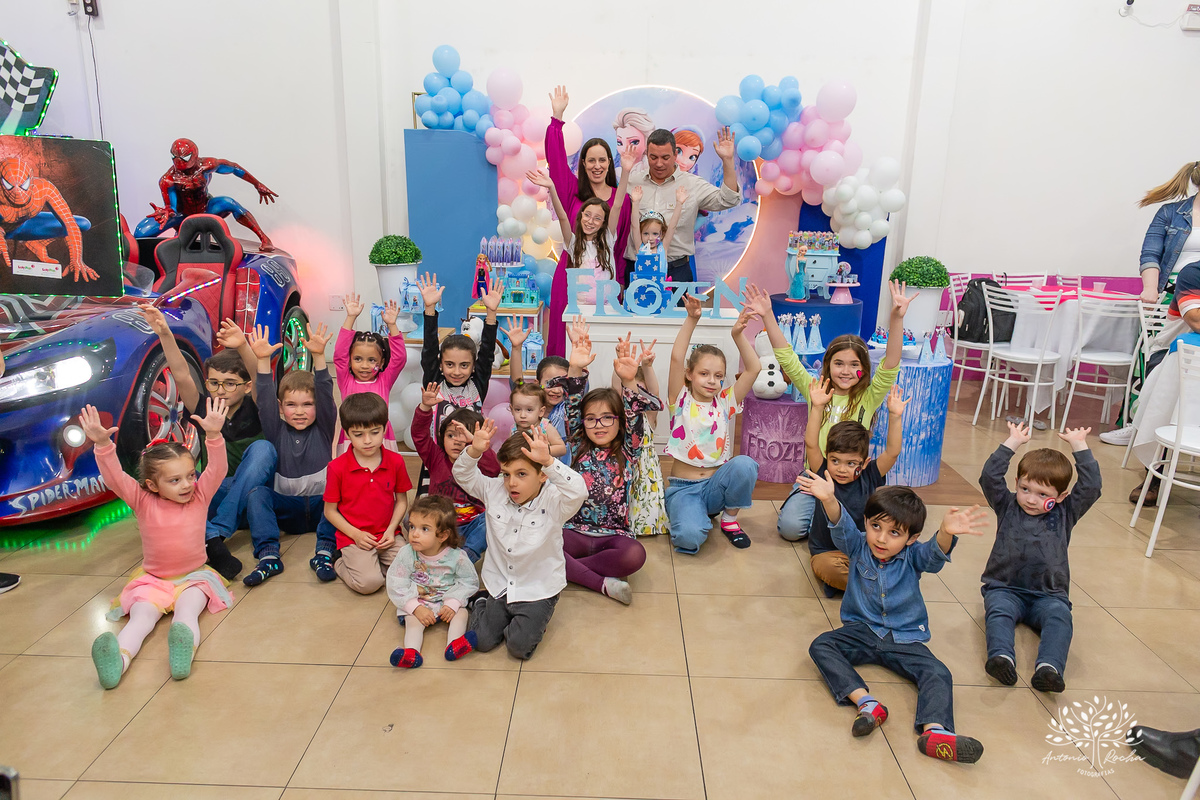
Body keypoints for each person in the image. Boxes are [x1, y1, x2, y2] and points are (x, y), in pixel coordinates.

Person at [801, 471, 990, 764]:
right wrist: (828, 498)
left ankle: (935, 732)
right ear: (866, 522)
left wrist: (946, 532)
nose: (881, 538)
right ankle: (868, 704)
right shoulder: (858, 544)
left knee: (938, 672)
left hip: (905, 638)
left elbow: (932, 556)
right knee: (821, 645)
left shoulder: (914, 555)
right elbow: (841, 526)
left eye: (894, 533)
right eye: (875, 526)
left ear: (911, 538)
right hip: (862, 631)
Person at [81, 399, 234, 689]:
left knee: (188, 612)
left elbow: (218, 469)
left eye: (190, 475)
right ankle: (118, 663)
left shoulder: (200, 496)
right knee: (140, 620)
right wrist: (103, 445)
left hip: (193, 579)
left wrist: (214, 436)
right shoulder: (141, 500)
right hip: (152, 581)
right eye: (175, 480)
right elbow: (115, 479)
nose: (187, 485)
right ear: (152, 485)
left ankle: (182, 653)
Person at [745, 281, 912, 542]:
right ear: (827, 365)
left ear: (864, 369)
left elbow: (891, 364)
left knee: (858, 531)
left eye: (854, 365)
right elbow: (787, 357)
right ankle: (817, 513)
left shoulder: (869, 398)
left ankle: (833, 520)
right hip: (815, 475)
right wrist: (767, 314)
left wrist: (896, 317)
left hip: (854, 483)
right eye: (839, 364)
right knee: (790, 529)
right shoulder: (817, 390)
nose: (845, 371)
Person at [138, 303, 277, 581]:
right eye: (214, 383)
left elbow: (260, 380)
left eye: (229, 384)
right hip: (218, 492)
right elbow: (180, 373)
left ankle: (216, 533)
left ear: (246, 387)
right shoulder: (203, 406)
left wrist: (243, 348)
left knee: (264, 449)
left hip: (255, 495)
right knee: (175, 482)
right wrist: (165, 333)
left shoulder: (258, 405)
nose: (220, 390)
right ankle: (212, 538)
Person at [979, 421, 1102, 692]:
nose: (1031, 499)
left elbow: (1091, 487)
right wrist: (1011, 443)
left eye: (1042, 494)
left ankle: (1049, 668)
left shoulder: (1066, 512)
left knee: (1060, 618)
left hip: (1049, 595)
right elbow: (989, 477)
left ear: (1061, 496)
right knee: (998, 613)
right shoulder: (1007, 504)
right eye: (1025, 489)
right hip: (1005, 588)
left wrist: (1080, 446)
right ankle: (1001, 658)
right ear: (1017, 484)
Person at [452, 422, 587, 660]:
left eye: (521, 474)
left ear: (542, 475)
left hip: (538, 589)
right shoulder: (493, 490)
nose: (511, 482)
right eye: (506, 474)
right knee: (482, 641)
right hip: (500, 584)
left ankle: (532, 621)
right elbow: (462, 474)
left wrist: (549, 461)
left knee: (518, 648)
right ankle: (483, 601)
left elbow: (579, 491)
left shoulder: (556, 501)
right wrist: (474, 450)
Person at [549, 327, 661, 603]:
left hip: (614, 536)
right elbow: (574, 403)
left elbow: (635, 411)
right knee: (541, 543)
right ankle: (600, 583)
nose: (598, 425)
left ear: (619, 422)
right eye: (591, 419)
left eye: (607, 418)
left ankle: (570, 571)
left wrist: (630, 381)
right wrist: (575, 366)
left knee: (636, 555)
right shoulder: (577, 444)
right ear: (582, 423)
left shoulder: (629, 448)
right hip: (573, 531)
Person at [1100, 161, 1199, 447]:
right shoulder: (1171, 213)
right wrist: (1150, 289)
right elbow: (1151, 253)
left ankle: (1180, 427)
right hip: (1173, 293)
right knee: (1154, 357)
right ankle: (1135, 424)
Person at [242, 323, 339, 586]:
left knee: (344, 491)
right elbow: (262, 398)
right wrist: (262, 360)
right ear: (281, 408)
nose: (299, 411)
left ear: (318, 408)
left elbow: (325, 390)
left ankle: (324, 553)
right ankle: (269, 556)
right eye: (291, 405)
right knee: (257, 494)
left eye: (308, 404)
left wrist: (319, 357)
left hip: (324, 510)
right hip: (288, 512)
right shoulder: (276, 429)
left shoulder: (323, 428)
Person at [664, 292, 761, 553]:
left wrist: (738, 335)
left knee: (746, 464)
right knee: (689, 539)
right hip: (684, 489)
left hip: (715, 487)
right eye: (704, 374)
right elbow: (676, 357)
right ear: (689, 375)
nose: (711, 381)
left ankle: (728, 520)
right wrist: (691, 320)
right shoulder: (680, 398)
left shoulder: (725, 401)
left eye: (718, 376)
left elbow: (753, 369)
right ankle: (689, 516)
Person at [544, 86, 635, 356]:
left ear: (610, 163)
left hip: (604, 282)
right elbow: (556, 160)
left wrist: (616, 284)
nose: (597, 165)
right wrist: (556, 119)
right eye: (591, 160)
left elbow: (617, 249)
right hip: (571, 280)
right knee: (567, 341)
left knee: (602, 345)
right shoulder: (572, 191)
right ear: (583, 164)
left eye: (602, 160)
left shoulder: (623, 200)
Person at [803, 382, 908, 594]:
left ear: (865, 462)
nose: (841, 469)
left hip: (863, 550)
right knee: (829, 569)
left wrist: (895, 416)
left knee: (898, 557)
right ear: (828, 457)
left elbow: (893, 452)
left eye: (851, 464)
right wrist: (817, 408)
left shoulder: (870, 475)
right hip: (827, 552)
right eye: (835, 461)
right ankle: (871, 585)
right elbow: (811, 444)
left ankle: (861, 583)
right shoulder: (823, 471)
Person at [622, 127, 741, 286]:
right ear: (646, 156)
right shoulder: (632, 183)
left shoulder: (692, 184)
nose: (659, 163)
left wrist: (727, 160)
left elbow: (729, 199)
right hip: (637, 270)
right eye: (653, 157)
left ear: (674, 155)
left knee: (682, 312)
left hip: (677, 273)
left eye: (665, 157)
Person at [322, 393, 411, 595]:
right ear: (347, 434)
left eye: (374, 432)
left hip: (388, 535)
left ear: (385, 428)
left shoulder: (396, 461)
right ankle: (339, 562)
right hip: (354, 538)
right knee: (369, 584)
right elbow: (330, 511)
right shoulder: (337, 468)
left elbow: (402, 501)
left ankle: (374, 564)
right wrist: (356, 534)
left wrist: (391, 530)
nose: (368, 440)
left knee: (410, 575)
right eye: (359, 434)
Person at [385, 495, 479, 668]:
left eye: (424, 529)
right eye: (412, 526)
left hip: (446, 600)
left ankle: (454, 644)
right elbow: (396, 581)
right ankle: (411, 652)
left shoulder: (456, 557)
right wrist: (415, 607)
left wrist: (453, 602)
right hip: (418, 600)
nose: (414, 534)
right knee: (413, 622)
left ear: (443, 535)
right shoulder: (407, 554)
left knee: (462, 613)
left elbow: (468, 581)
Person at [411, 383, 501, 563]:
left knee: (492, 519)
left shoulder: (479, 460)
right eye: (451, 435)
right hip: (440, 524)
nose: (458, 441)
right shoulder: (436, 456)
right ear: (441, 437)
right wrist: (425, 408)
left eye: (465, 436)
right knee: (413, 517)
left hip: (472, 524)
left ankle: (465, 558)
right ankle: (435, 553)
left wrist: (478, 448)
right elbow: (419, 435)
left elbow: (494, 470)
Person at [528, 162, 630, 306]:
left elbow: (618, 204)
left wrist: (626, 170)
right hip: (580, 311)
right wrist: (551, 187)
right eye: (587, 215)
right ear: (581, 216)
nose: (591, 221)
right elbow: (562, 216)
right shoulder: (573, 243)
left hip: (607, 309)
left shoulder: (607, 238)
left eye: (597, 218)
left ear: (603, 223)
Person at [333, 293, 407, 454]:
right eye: (358, 359)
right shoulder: (346, 380)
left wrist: (392, 326)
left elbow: (399, 359)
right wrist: (350, 317)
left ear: (381, 363)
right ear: (350, 360)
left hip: (382, 441)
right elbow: (339, 355)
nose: (364, 366)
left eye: (372, 360)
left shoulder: (384, 380)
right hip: (350, 442)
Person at [613, 338, 668, 538]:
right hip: (624, 461)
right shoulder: (619, 414)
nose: (634, 397)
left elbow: (654, 392)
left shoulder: (648, 415)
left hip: (647, 466)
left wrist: (647, 366)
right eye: (630, 392)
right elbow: (616, 388)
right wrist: (620, 360)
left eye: (639, 393)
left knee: (648, 498)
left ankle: (649, 526)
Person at [506, 318, 573, 464]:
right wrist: (516, 348)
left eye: (562, 384)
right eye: (550, 383)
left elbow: (578, 386)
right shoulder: (527, 401)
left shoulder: (567, 409)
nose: (556, 390)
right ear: (537, 383)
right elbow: (517, 382)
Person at [628, 185, 687, 281]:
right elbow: (635, 226)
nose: (650, 238)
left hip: (660, 290)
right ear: (640, 234)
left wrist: (679, 204)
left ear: (662, 234)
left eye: (655, 234)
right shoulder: (640, 247)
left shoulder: (663, 248)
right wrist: (635, 203)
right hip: (642, 291)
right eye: (646, 234)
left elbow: (672, 226)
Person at [508, 382, 567, 459]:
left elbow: (562, 449)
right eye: (517, 409)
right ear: (512, 410)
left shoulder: (545, 427)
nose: (522, 415)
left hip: (542, 469)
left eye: (529, 410)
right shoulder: (514, 429)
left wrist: (544, 450)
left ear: (541, 411)